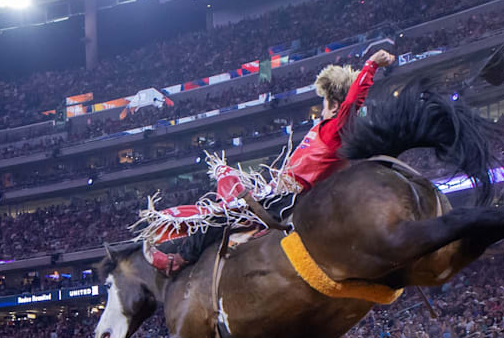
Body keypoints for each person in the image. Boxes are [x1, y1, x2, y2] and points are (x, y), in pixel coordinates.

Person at [136, 49, 396, 273]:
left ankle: (178, 260)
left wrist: (370, 65)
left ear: (334, 104)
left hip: (292, 199)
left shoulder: (335, 129)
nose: (322, 108)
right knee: (227, 196)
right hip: (281, 192)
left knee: (224, 215)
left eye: (324, 103)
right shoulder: (326, 130)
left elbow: (352, 103)